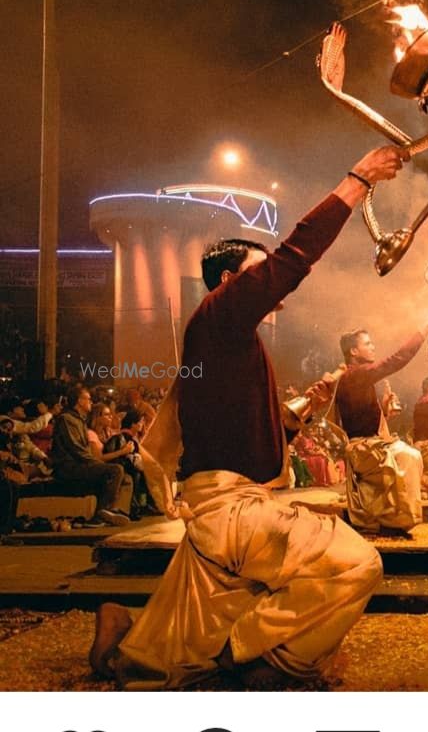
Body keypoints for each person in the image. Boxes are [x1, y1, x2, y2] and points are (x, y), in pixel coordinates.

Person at [89, 146, 403, 690]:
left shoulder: (231, 339)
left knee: (180, 637)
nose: (271, 286)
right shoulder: (221, 314)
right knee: (359, 565)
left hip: (235, 501)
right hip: (231, 510)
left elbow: (246, 437)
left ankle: (126, 630)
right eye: (259, 274)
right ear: (230, 280)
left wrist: (297, 414)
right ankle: (249, 664)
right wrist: (356, 181)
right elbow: (295, 257)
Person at [335, 318, 428, 534]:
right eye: (367, 343)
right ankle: (395, 518)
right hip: (362, 449)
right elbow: (396, 360)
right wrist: (424, 329)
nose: (373, 346)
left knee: (410, 455)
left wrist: (384, 410)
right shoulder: (354, 374)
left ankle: (394, 515)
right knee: (409, 456)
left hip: (371, 443)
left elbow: (361, 419)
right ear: (353, 352)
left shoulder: (357, 376)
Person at [52, 386, 130, 527]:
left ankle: (112, 511)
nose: (91, 402)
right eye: (88, 399)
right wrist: (97, 463)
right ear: (79, 401)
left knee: (125, 476)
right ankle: (101, 515)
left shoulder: (79, 420)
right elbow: (76, 449)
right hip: (69, 467)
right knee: (115, 470)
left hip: (80, 464)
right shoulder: (66, 419)